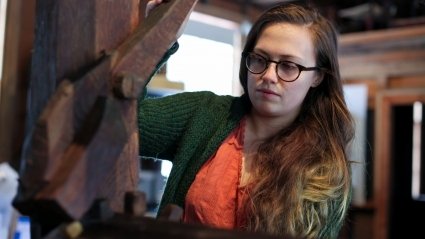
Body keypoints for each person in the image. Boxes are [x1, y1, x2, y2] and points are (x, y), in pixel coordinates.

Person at [139, 1, 355, 238]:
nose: (269, 76)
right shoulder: (205, 114)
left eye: (288, 66)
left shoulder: (324, 167)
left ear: (317, 76)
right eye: (260, 59)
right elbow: (125, 123)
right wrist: (156, 40)